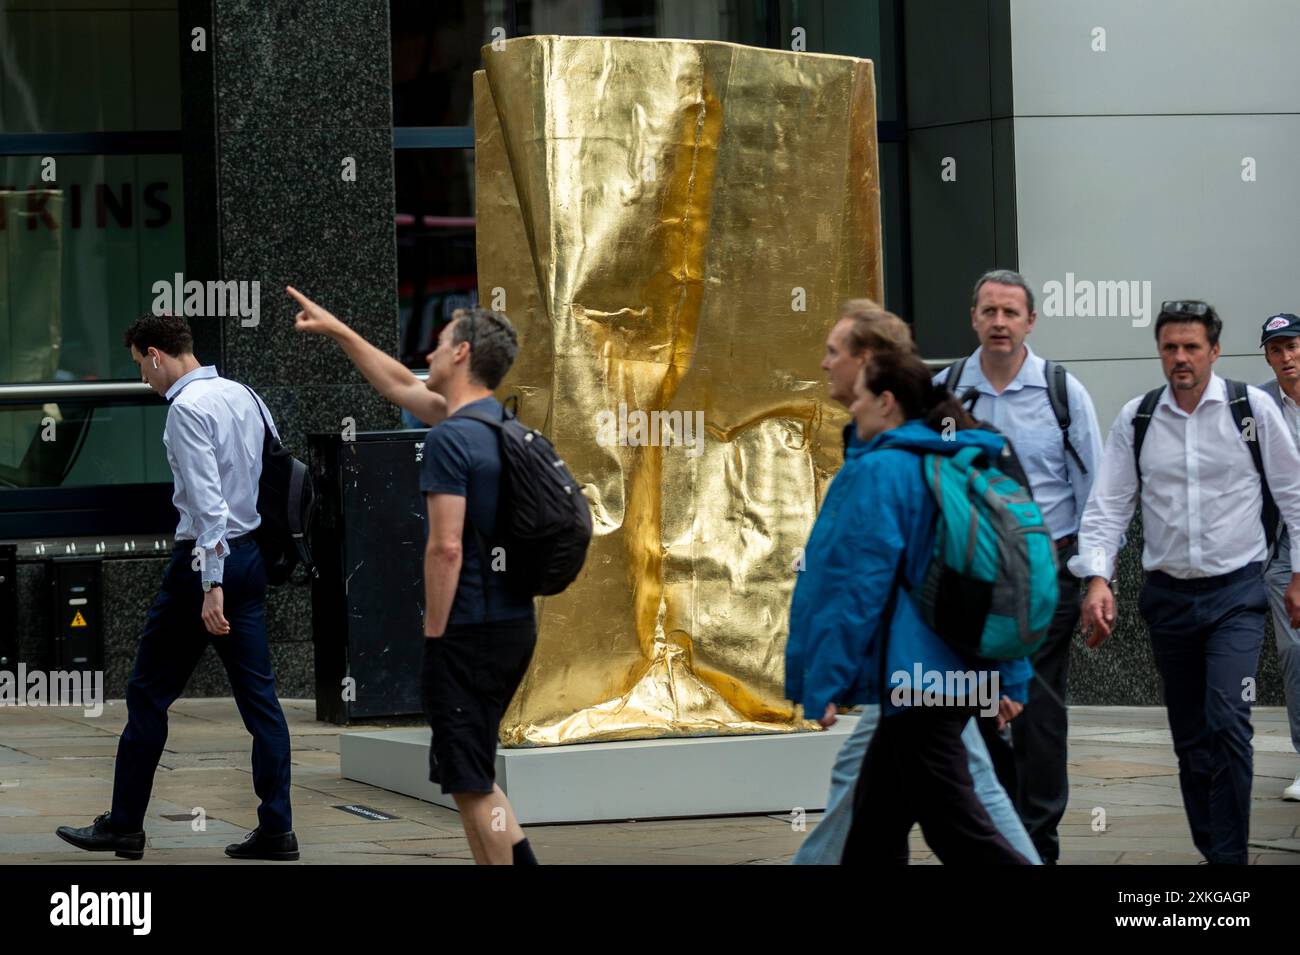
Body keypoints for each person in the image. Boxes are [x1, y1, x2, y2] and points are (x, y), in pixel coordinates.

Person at [290, 288, 537, 865]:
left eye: (443, 339)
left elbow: (445, 547)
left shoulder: (453, 437)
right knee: (468, 773)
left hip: (469, 629)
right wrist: (338, 330)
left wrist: (434, 634)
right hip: (506, 620)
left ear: (462, 354)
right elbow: (398, 383)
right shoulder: (489, 424)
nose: (432, 346)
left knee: (471, 780)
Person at [791, 299, 1038, 865]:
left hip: (920, 682)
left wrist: (823, 681)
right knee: (873, 832)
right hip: (929, 676)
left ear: (880, 389)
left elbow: (854, 588)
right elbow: (1003, 567)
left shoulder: (884, 468)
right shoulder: (952, 454)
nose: (827, 367)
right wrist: (1011, 674)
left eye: (835, 355)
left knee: (962, 833)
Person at [57, 314, 297, 861]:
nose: (143, 378)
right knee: (261, 702)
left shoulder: (186, 410)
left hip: (204, 566)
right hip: (251, 556)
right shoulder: (244, 394)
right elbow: (276, 473)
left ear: (156, 355)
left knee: (146, 693)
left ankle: (124, 826)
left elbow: (209, 507)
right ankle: (277, 829)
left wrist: (210, 584)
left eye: (141, 364)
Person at [1072, 300, 1300, 865]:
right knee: (1191, 741)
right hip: (1168, 599)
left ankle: (1228, 865)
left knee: (1229, 722)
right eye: (1170, 347)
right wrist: (1099, 578)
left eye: (1191, 347)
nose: (1180, 358)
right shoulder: (1139, 417)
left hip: (1238, 597)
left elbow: (1295, 495)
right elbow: (1108, 507)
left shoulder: (1251, 410)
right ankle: (1213, 849)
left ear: (1215, 351)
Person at [933, 268, 1102, 864]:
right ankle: (998, 838)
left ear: (1031, 321)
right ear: (973, 318)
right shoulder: (945, 391)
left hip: (1047, 574)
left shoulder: (1061, 391)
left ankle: (1039, 844)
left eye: (1010, 312)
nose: (999, 322)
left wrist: (1095, 579)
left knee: (1036, 708)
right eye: (988, 312)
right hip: (967, 583)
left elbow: (1094, 491)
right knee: (978, 707)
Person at [1256, 312, 1300, 799]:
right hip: (1283, 545)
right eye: (1276, 350)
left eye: (1293, 346)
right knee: (1295, 651)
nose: (1287, 357)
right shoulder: (1258, 404)